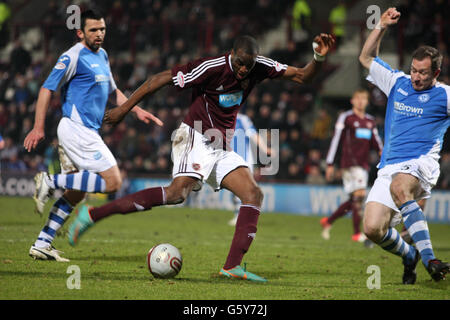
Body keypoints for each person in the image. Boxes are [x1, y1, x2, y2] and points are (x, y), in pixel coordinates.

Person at [67, 33, 335, 282]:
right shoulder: (211, 67)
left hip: (220, 145)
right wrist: (124, 109)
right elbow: (158, 79)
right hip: (194, 136)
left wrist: (319, 58)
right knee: (177, 194)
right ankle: (91, 214)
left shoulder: (259, 65)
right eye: (240, 63)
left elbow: (302, 76)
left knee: (253, 194)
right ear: (232, 54)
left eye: (248, 65)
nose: (244, 70)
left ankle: (231, 267)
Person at [23, 10, 162, 262]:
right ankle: (49, 181)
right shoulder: (72, 56)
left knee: (76, 192)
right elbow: (46, 88)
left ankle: (42, 242)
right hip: (76, 129)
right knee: (113, 182)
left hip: (86, 131)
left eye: (102, 30)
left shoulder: (103, 55)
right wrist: (38, 126)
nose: (99, 35)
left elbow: (115, 91)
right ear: (80, 33)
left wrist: (136, 110)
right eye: (93, 30)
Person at [359, 7, 450, 284]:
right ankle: (408, 255)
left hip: (421, 163)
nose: (416, 77)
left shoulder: (444, 95)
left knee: (400, 187)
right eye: (413, 70)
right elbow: (365, 57)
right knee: (372, 228)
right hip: (389, 165)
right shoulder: (397, 82)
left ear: (436, 72)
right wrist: (381, 26)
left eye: (423, 73)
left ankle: (429, 259)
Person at [321, 89, 383, 243]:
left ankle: (329, 221)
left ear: (368, 102)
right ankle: (356, 233)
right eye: (358, 98)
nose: (361, 101)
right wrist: (330, 163)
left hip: (363, 165)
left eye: (364, 99)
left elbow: (377, 143)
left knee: (354, 200)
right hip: (350, 163)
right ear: (352, 101)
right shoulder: (346, 118)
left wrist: (384, 154)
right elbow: (336, 140)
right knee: (360, 195)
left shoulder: (370, 121)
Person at [228, 112, 273, 226]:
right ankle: (239, 214)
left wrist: (264, 149)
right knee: (234, 189)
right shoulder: (219, 118)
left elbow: (253, 134)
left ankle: (242, 215)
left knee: (245, 188)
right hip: (228, 159)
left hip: (244, 159)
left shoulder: (242, 119)